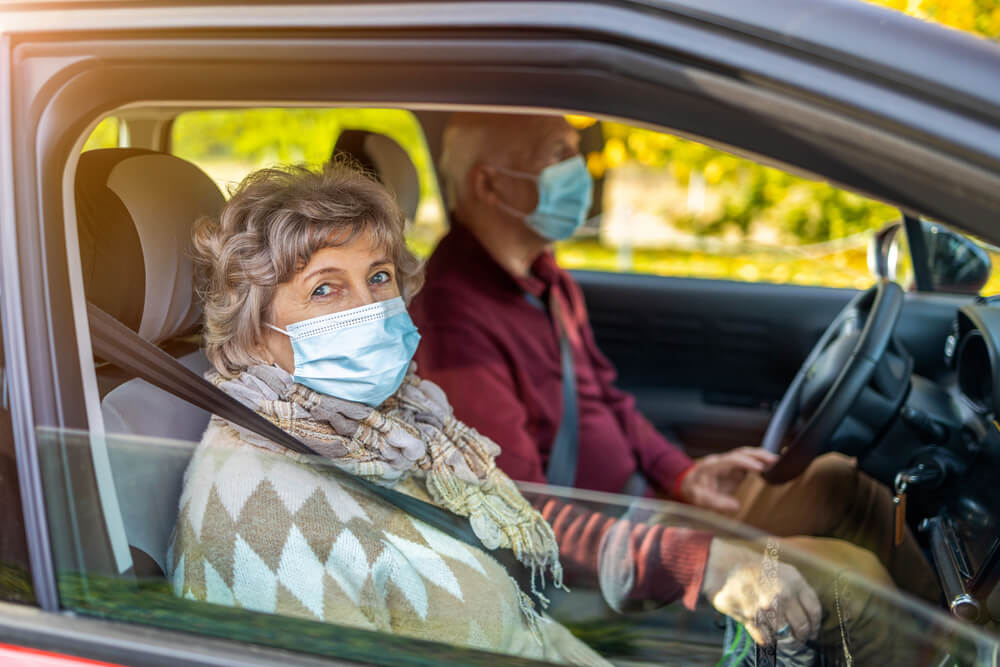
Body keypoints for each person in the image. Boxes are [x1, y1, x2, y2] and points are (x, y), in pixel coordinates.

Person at [168, 161, 903, 665]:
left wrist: (687, 513)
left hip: (559, 628)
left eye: (381, 277)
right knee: (847, 582)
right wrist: (689, 559)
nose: (372, 308)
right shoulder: (263, 506)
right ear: (253, 326)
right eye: (326, 289)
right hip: (585, 613)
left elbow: (512, 522)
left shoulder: (397, 427)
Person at [409, 112, 941, 607]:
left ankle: (972, 631)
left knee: (837, 481)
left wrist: (684, 476)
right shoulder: (454, 321)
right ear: (489, 184)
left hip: (643, 510)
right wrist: (692, 560)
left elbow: (607, 400)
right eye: (556, 155)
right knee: (851, 582)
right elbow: (513, 516)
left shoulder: (545, 279)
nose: (579, 171)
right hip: (596, 564)